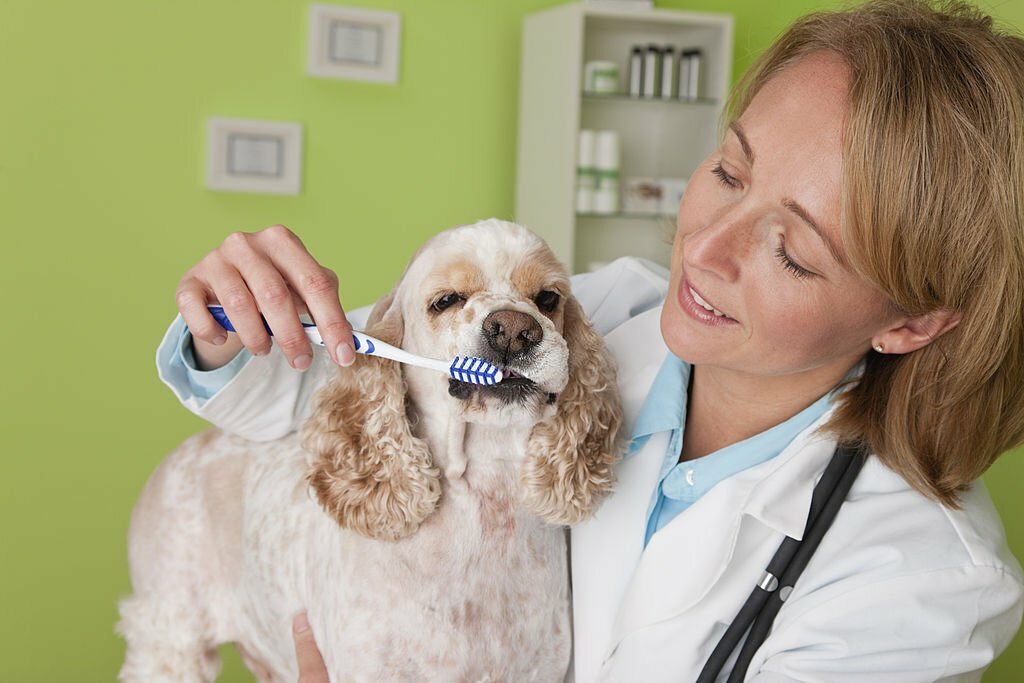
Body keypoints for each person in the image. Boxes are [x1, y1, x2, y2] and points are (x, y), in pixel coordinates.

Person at [157, 0, 1024, 679]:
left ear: (911, 320)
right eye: (728, 171)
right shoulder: (597, 314)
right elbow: (338, 389)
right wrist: (234, 326)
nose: (706, 249)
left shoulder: (920, 583)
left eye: (792, 251)